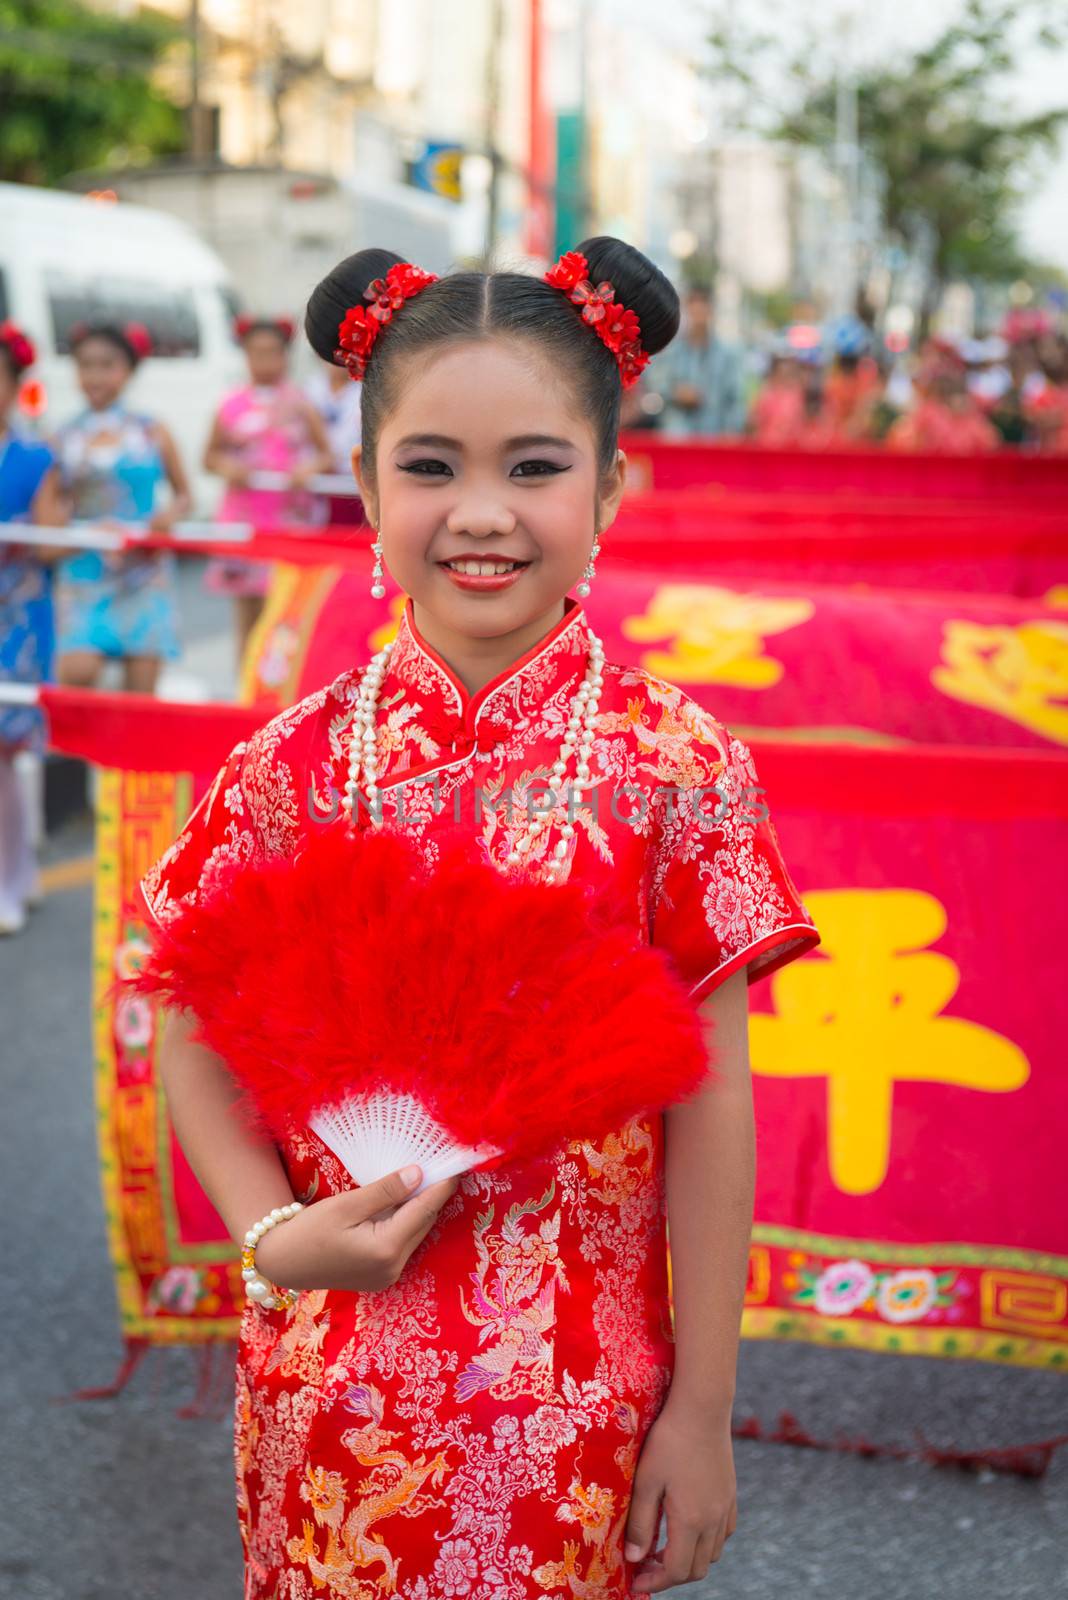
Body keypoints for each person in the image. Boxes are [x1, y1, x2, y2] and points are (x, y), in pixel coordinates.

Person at [140, 237, 821, 1598]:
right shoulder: (286, 768)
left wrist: (701, 1409)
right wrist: (272, 1232)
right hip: (323, 1399)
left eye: (536, 466)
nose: (482, 513)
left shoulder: (674, 765)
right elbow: (194, 1026)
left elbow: (713, 1099)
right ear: (365, 487)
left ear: (613, 486)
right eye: (431, 466)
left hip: (574, 1405)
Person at [34, 320, 191, 694]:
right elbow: (48, 525)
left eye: (107, 365)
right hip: (84, 578)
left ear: (129, 370)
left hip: (144, 575)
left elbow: (184, 495)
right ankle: (86, 756)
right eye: (85, 365)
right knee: (76, 685)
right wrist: (86, 535)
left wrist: (168, 516)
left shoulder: (153, 431)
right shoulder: (60, 438)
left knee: (140, 708)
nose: (95, 376)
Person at [203, 316, 334, 659]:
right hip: (244, 519)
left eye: (272, 352)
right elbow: (210, 457)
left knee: (284, 612)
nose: (265, 361)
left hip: (288, 519)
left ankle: (277, 693)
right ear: (245, 356)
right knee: (246, 612)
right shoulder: (231, 404)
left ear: (285, 355)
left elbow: (327, 456)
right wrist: (230, 466)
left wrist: (308, 469)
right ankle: (245, 692)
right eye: (256, 353)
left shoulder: (302, 403)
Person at [0, 322, 55, 934]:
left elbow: (47, 540)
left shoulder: (37, 457)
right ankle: (18, 869)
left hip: (17, 620)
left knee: (6, 751)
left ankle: (12, 878)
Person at [655, 285, 746, 437]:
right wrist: (676, 393)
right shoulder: (670, 352)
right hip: (676, 437)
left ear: (711, 310)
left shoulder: (727, 355)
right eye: (694, 309)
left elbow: (735, 400)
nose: (698, 315)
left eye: (703, 309)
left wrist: (731, 431)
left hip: (713, 438)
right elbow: (656, 389)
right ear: (687, 309)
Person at [305, 356, 366, 525]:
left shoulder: (367, 391)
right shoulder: (309, 390)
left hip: (353, 486)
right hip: (314, 484)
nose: (339, 362)